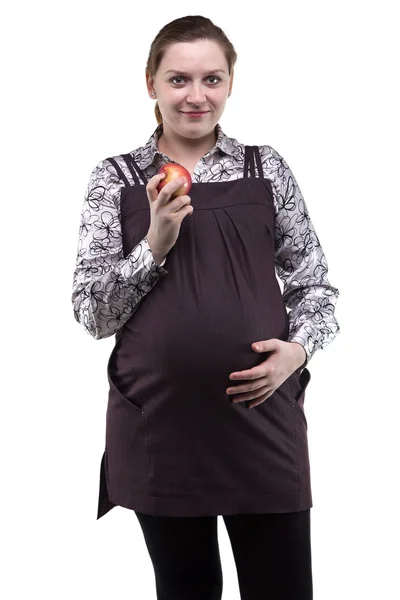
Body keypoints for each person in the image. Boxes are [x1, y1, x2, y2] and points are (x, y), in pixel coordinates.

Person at [71, 14, 340, 600]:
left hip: (262, 422)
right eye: (179, 80)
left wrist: (296, 353)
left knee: (283, 589)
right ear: (151, 84)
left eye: (212, 79)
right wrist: (154, 245)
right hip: (159, 428)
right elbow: (93, 315)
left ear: (230, 84)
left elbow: (315, 287)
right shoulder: (115, 179)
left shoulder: (265, 168)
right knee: (186, 590)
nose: (196, 96)